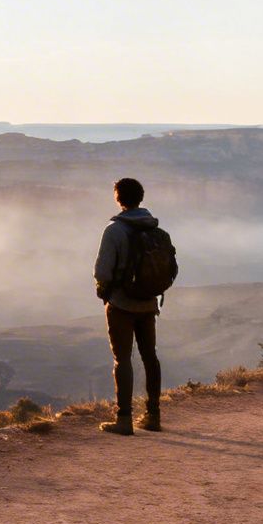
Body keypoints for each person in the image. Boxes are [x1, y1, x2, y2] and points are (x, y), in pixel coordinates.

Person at [94, 177, 164, 434]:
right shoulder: (153, 227)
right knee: (150, 357)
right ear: (140, 197)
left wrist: (105, 292)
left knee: (122, 360)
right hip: (148, 303)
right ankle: (153, 415)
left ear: (118, 198)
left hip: (122, 304)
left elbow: (102, 271)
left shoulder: (114, 231)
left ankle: (123, 419)